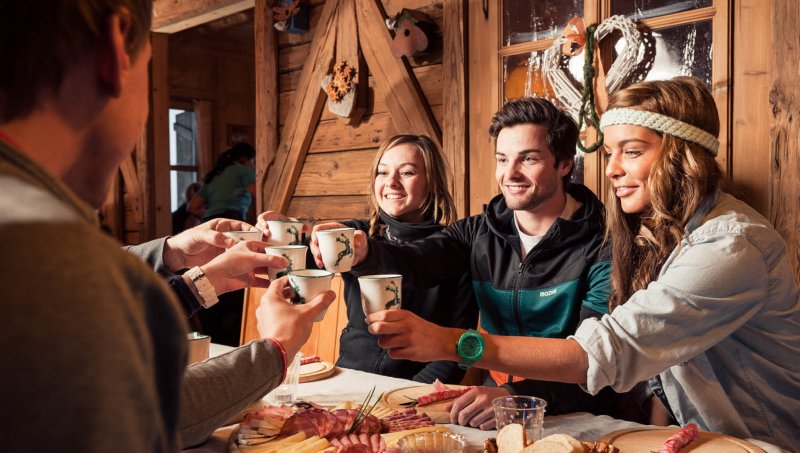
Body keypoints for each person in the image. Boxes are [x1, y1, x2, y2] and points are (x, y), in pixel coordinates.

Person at [366, 77, 800, 450]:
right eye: (609, 154)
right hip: (696, 435)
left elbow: (603, 353)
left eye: (630, 152)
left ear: (681, 156)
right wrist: (359, 250)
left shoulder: (729, 245)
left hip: (759, 440)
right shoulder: (661, 231)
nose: (611, 171)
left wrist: (454, 344)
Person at [0, 2, 334, 451]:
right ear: (116, 49)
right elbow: (158, 414)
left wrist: (177, 258)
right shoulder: (66, 271)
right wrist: (275, 349)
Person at [312, 98, 644, 429]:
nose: (510, 173)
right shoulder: (477, 233)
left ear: (564, 164)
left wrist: (517, 394)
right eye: (502, 159)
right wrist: (363, 252)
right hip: (494, 402)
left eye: (528, 159)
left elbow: (595, 360)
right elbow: (415, 260)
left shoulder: (606, 242)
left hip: (580, 412)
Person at [261, 134, 478, 383]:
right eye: (382, 173)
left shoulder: (451, 250)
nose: (392, 182)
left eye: (407, 173)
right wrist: (279, 236)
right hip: (346, 376)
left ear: (432, 182)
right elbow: (300, 263)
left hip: (411, 389)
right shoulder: (356, 235)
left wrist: (414, 397)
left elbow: (459, 346)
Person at [188, 142, 256, 222]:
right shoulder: (244, 171)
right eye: (253, 161)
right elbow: (258, 193)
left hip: (208, 221)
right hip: (231, 218)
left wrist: (213, 218)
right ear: (245, 158)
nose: (253, 166)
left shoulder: (214, 176)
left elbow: (192, 207)